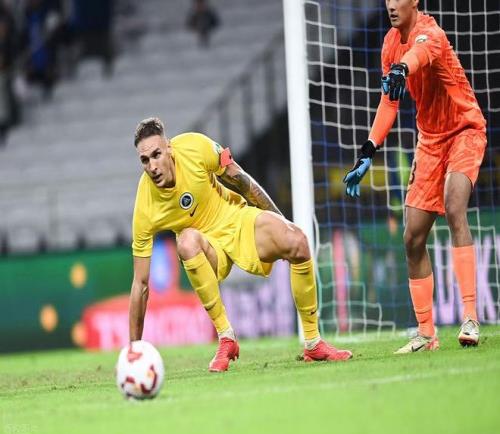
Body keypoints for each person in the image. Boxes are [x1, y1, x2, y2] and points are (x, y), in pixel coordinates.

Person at [129, 117, 353, 372]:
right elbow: (140, 284)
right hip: (209, 249)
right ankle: (226, 337)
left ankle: (313, 343)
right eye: (144, 160)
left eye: (156, 154)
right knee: (187, 241)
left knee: (298, 241)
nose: (152, 166)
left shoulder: (195, 146)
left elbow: (241, 179)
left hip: (236, 220)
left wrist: (281, 223)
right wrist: (133, 350)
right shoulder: (145, 206)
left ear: (169, 147)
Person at [343, 0, 486, 353]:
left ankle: (470, 316)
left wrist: (401, 69)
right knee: (412, 237)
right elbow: (389, 102)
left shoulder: (431, 33)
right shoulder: (390, 43)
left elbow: (417, 56)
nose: (391, 5)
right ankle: (426, 334)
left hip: (465, 130)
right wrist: (368, 151)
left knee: (454, 207)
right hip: (430, 142)